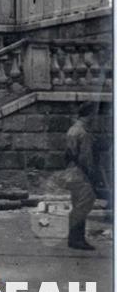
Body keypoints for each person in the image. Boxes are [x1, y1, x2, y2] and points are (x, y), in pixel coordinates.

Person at [64, 102, 98, 250]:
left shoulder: (72, 129)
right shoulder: (84, 133)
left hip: (71, 170)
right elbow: (85, 158)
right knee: (83, 205)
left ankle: (74, 238)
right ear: (90, 114)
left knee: (77, 204)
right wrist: (92, 174)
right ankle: (77, 239)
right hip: (82, 172)